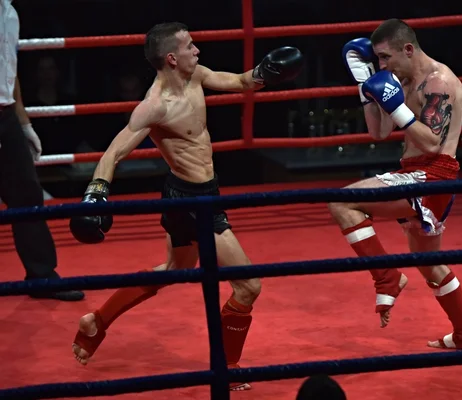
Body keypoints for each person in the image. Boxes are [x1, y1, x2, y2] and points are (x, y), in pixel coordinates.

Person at [68, 22, 303, 391]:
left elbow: (241, 82)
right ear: (172, 58)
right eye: (190, 46)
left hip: (193, 193)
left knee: (176, 269)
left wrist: (264, 73)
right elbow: (114, 151)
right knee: (248, 286)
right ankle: (227, 367)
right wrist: (97, 190)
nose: (198, 51)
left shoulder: (195, 78)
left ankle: (97, 320)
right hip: (193, 203)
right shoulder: (156, 105)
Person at [329, 19, 462, 349]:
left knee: (342, 201)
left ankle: (386, 278)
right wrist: (365, 85)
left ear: (408, 49)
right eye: (378, 60)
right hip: (416, 172)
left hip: (434, 174)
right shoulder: (400, 80)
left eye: (385, 58)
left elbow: (430, 144)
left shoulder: (439, 82)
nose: (382, 65)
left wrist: (396, 106)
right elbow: (379, 132)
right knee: (428, 263)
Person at [0, 0, 84, 301]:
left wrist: (22, 121)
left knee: (26, 194)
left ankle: (41, 275)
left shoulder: (10, 12)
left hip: (5, 114)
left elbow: (9, 69)